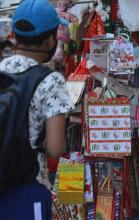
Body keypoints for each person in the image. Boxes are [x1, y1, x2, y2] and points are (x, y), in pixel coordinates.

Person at [0, 0, 73, 218]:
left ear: (14, 35)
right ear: (50, 40)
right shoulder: (51, 81)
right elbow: (55, 147)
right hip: (27, 189)